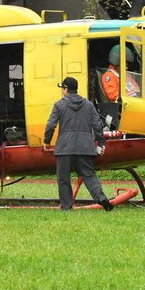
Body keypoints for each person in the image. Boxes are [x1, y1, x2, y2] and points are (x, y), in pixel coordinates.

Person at [44, 77, 113, 211]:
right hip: (85, 147)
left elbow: (51, 125)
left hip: (65, 148)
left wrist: (47, 141)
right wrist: (101, 144)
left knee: (63, 179)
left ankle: (67, 206)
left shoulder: (59, 105)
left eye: (62, 89)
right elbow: (97, 125)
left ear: (66, 89)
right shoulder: (88, 105)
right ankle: (101, 197)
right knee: (89, 175)